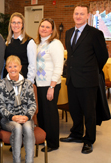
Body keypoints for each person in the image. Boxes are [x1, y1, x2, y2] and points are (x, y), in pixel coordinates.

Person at [60, 3, 109, 154]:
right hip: (72, 79)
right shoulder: (68, 32)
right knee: (74, 110)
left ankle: (89, 140)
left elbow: (103, 57)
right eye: (76, 13)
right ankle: (76, 134)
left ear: (88, 16)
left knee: (89, 112)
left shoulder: (95, 33)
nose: (78, 16)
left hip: (88, 81)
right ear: (73, 15)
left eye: (82, 14)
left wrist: (92, 70)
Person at [0, 55, 36, 163]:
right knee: (17, 128)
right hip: (8, 119)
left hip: (26, 118)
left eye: (15, 66)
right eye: (10, 66)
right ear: (6, 69)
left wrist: (27, 116)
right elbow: (0, 105)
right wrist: (12, 117)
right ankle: (16, 160)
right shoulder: (1, 84)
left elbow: (32, 104)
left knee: (28, 128)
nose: (13, 69)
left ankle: (29, 161)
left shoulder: (28, 84)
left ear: (20, 67)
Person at [35, 18, 64, 152]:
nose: (44, 29)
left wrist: (52, 87)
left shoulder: (55, 44)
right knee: (41, 114)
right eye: (42, 26)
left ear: (52, 30)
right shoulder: (39, 43)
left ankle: (53, 143)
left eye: (47, 27)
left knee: (50, 114)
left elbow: (59, 67)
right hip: (39, 84)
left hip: (50, 84)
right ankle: (44, 139)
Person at [3, 12, 36, 84]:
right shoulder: (6, 42)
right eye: (13, 22)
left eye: (19, 23)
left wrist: (29, 82)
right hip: (8, 79)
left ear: (22, 25)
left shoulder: (29, 42)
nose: (16, 25)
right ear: (10, 24)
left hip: (23, 79)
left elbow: (32, 65)